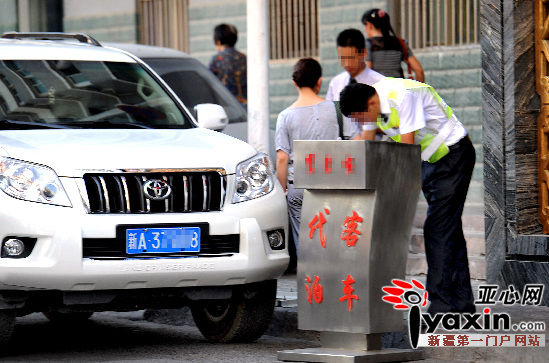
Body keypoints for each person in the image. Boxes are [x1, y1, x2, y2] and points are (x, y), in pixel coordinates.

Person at [339, 78, 476, 315]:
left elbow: (406, 151)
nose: (361, 124)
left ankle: (442, 304)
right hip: (432, 161)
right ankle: (462, 302)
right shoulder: (372, 105)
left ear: (371, 103)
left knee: (437, 228)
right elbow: (366, 144)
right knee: (448, 228)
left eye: (360, 118)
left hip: (453, 155)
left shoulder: (402, 96)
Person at [276, 58, 362, 267]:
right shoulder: (338, 110)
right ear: (319, 82)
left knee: (307, 244)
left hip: (299, 187)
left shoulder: (285, 116)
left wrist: (282, 190)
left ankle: (312, 290)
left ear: (295, 83)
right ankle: (335, 284)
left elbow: (282, 158)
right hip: (333, 184)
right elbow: (356, 142)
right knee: (334, 238)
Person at [361, 8, 424, 82]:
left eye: (365, 25)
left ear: (369, 25)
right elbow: (419, 71)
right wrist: (418, 91)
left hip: (378, 90)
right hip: (399, 89)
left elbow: (366, 71)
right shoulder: (400, 43)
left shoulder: (367, 44)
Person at [326, 28, 385, 102]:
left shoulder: (380, 83)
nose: (347, 64)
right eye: (342, 58)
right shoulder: (336, 83)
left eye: (351, 58)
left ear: (364, 53)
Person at [208, 24, 247, 106]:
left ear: (218, 42)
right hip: (244, 105)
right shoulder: (244, 58)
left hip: (225, 106)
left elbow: (209, 83)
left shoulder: (217, 59)